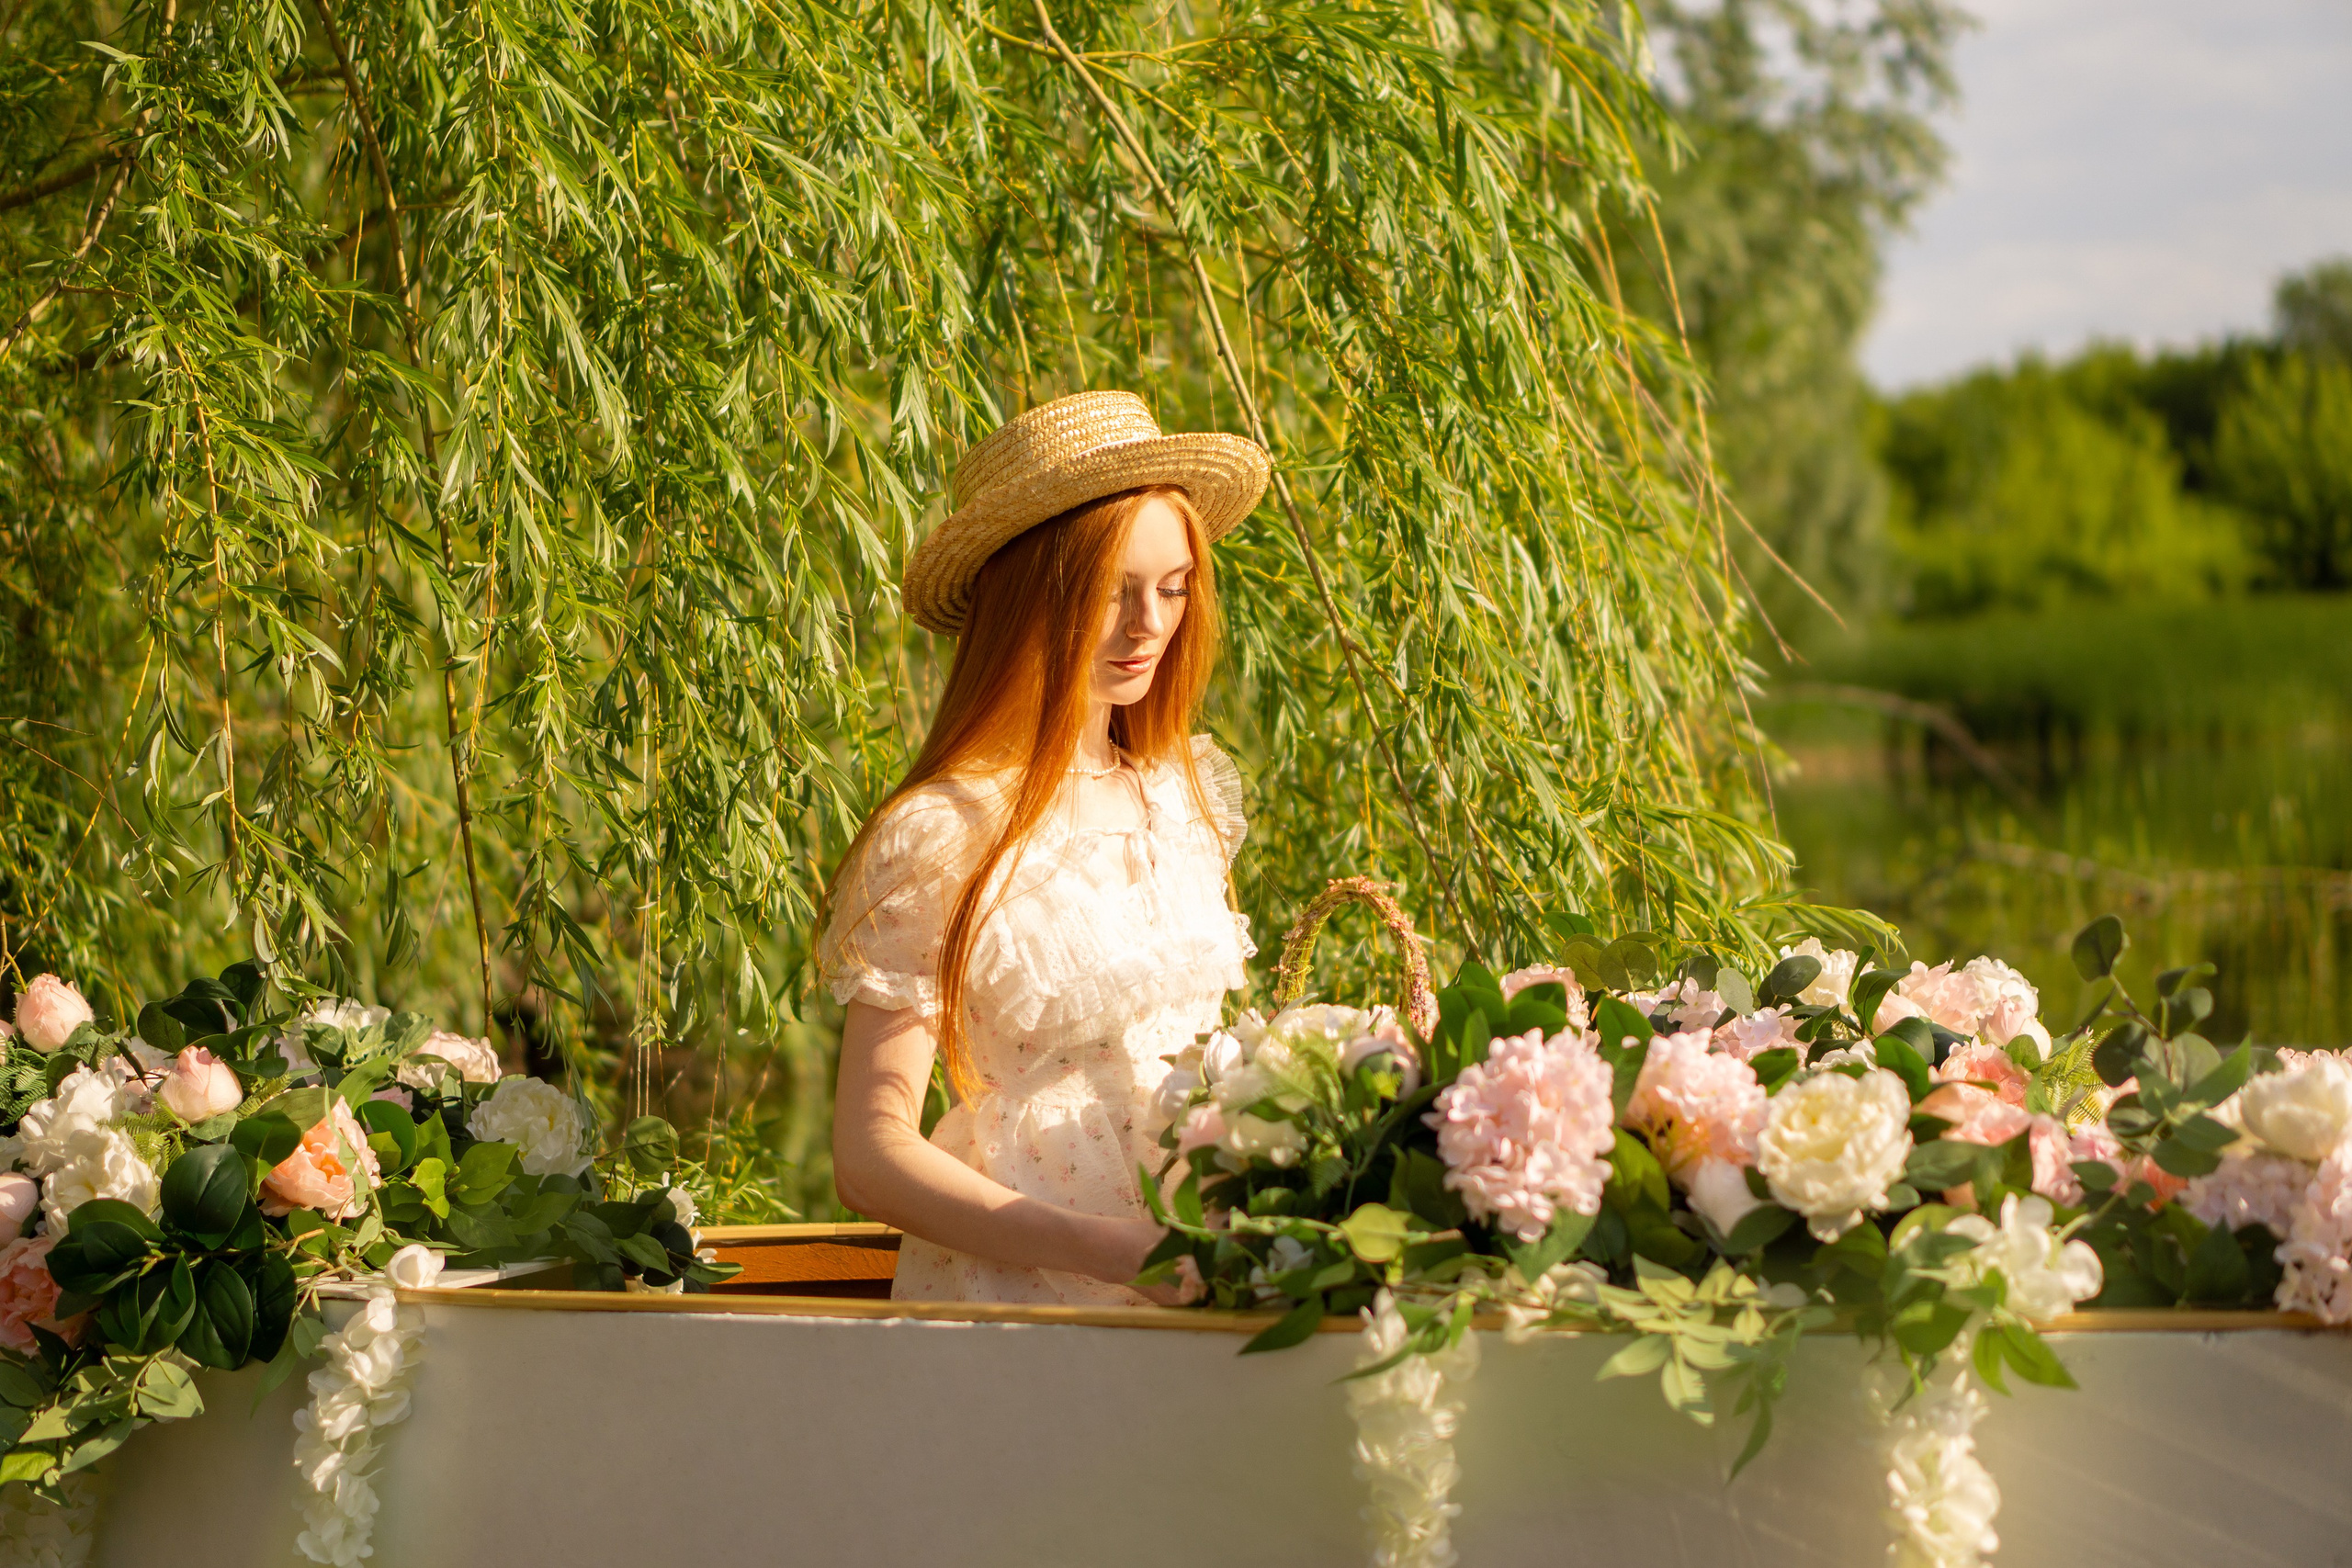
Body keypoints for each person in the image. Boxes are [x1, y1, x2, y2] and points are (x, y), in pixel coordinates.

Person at [820, 391, 1269, 1304]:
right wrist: (1108, 1252)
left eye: (1174, 588)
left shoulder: (1180, 801)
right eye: (1112, 590)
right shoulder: (943, 832)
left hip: (1209, 1266)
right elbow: (868, 1156)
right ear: (1031, 596)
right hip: (1027, 1294)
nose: (1149, 623)